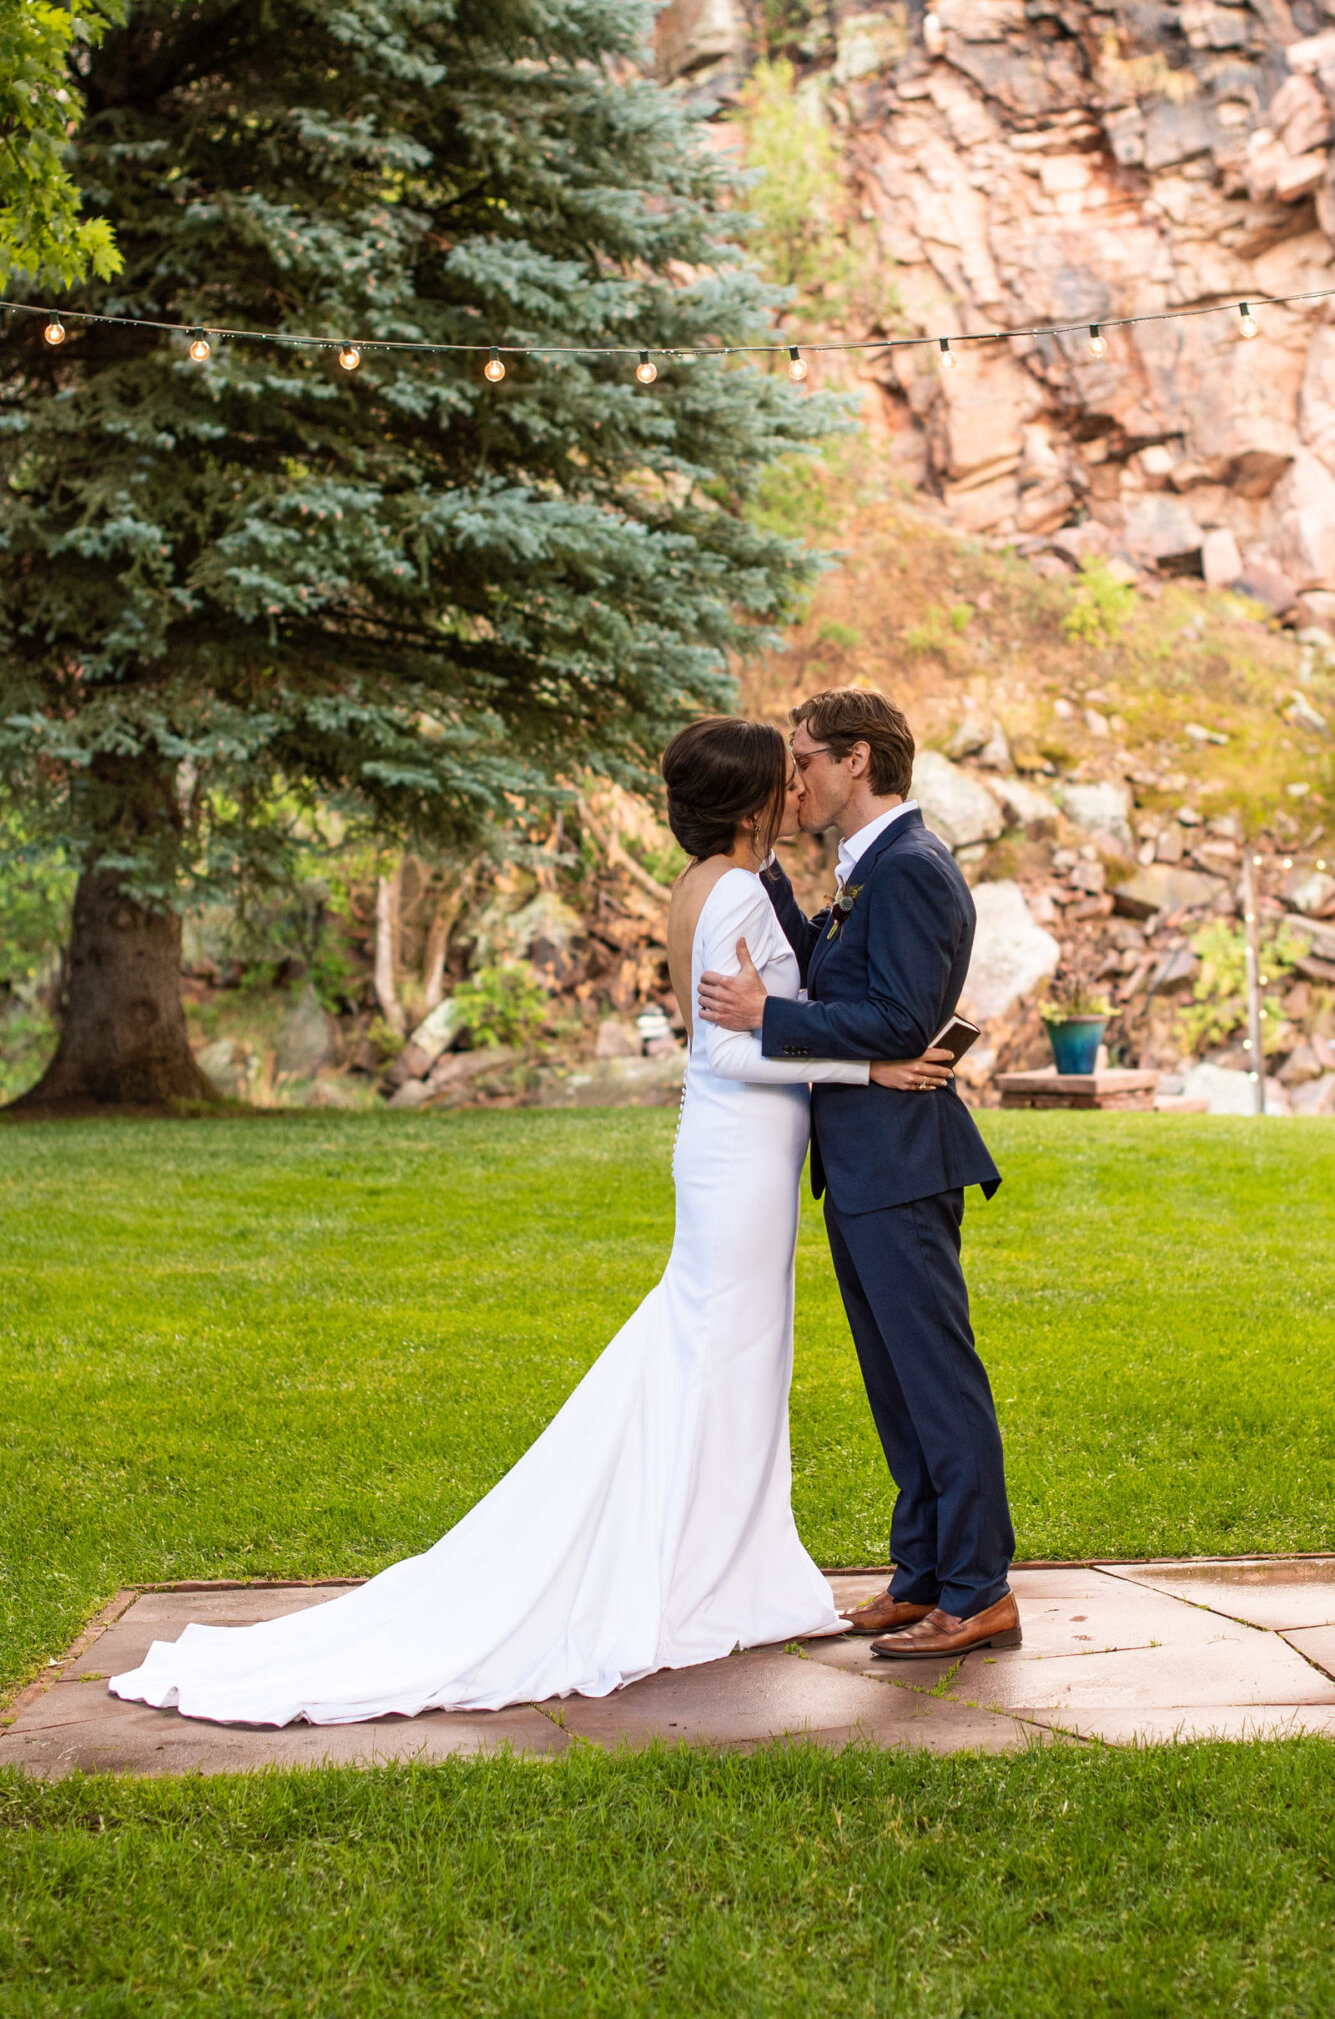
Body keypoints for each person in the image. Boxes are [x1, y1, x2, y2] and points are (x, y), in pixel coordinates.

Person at [110, 718, 955, 1726]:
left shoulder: (722, 884)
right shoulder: (727, 890)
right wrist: (871, 1064)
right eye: (781, 781)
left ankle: (722, 1568)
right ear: (746, 804)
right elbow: (727, 1050)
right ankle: (679, 1578)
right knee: (714, 1353)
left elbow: (766, 1013)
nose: (795, 794)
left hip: (748, 1155)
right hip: (738, 1157)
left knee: (730, 1361)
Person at [698, 688, 1019, 1662]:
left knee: (936, 1379)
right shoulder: (862, 872)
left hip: (903, 1157)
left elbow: (899, 1021)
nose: (793, 778)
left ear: (859, 762)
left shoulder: (914, 870)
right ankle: (919, 1574)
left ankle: (977, 1592)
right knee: (895, 1384)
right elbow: (843, 983)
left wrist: (768, 1018)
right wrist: (764, 879)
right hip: (862, 1162)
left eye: (804, 760)